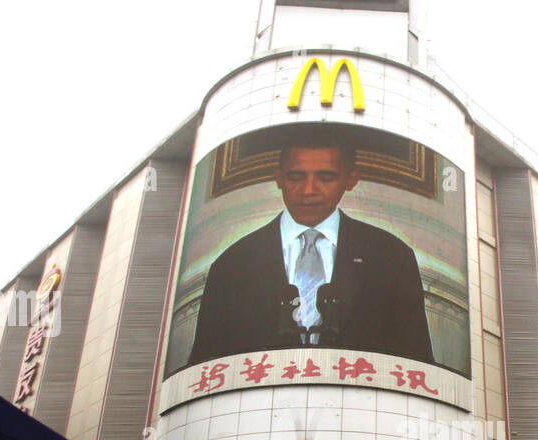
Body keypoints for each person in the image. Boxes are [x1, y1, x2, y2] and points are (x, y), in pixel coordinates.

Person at [186, 130, 434, 369]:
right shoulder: (232, 263)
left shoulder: (391, 256)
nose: (308, 190)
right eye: (296, 177)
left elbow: (417, 360)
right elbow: (205, 364)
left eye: (326, 178)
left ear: (351, 179)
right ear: (279, 178)